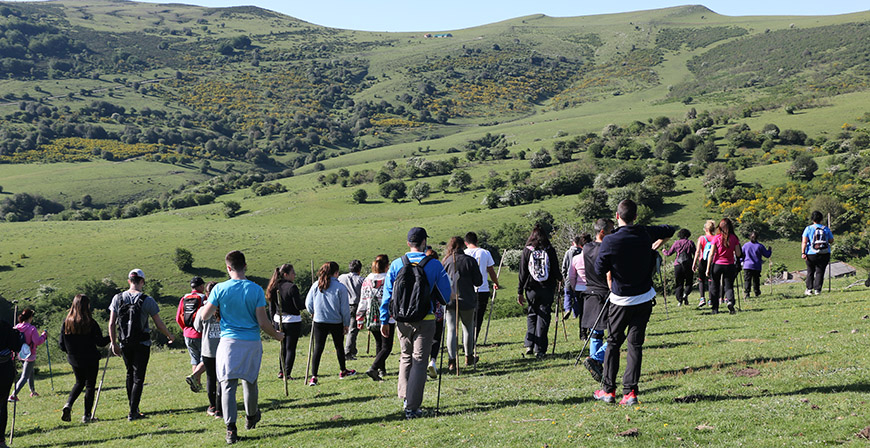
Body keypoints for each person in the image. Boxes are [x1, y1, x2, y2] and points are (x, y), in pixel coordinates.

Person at [593, 199, 675, 405]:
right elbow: (670, 229)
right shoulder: (645, 233)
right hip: (644, 298)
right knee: (635, 344)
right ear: (636, 217)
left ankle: (608, 390)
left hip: (620, 299)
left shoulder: (610, 241)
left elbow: (598, 270)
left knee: (613, 343)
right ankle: (630, 393)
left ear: (617, 216)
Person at [197, 251, 284, 444]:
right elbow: (263, 322)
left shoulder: (219, 289)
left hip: (228, 342)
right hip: (251, 341)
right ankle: (251, 416)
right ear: (245, 266)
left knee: (228, 384)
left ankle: (231, 429)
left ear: (228, 268)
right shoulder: (255, 290)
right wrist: (277, 335)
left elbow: (205, 316)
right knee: (250, 382)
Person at [381, 227, 451, 419]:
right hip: (426, 318)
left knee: (405, 357)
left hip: (401, 320)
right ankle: (412, 407)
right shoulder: (435, 265)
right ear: (424, 243)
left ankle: (405, 396)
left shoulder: (396, 264)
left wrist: (384, 319)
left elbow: (387, 295)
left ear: (408, 243)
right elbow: (446, 295)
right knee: (420, 361)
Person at [109, 269, 175, 421]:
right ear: (142, 281)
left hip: (124, 342)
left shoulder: (117, 298)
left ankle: (134, 407)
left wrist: (113, 343)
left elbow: (112, 323)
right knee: (138, 377)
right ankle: (133, 412)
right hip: (142, 343)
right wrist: (169, 335)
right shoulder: (147, 300)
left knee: (129, 374)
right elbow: (159, 324)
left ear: (129, 281)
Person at [58, 294, 110, 423]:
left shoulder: (66, 323)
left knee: (79, 382)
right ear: (87, 306)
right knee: (90, 386)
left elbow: (61, 344)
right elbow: (100, 342)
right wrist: (111, 336)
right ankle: (87, 415)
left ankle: (68, 404)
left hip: (74, 358)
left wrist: (70, 352)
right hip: (90, 358)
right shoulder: (91, 323)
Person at [306, 261, 356, 386]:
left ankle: (314, 376)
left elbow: (308, 304)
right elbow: (344, 309)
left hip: (319, 320)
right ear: (336, 273)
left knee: (318, 348)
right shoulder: (340, 288)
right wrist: (346, 323)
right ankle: (343, 370)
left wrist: (313, 312)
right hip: (336, 321)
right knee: (339, 346)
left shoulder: (316, 285)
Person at [517, 224, 562, 360]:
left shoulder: (527, 250)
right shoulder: (549, 250)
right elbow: (555, 270)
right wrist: (560, 280)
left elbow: (523, 273)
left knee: (532, 313)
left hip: (531, 289)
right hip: (547, 288)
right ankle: (540, 349)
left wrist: (520, 291)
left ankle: (529, 344)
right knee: (544, 316)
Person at [580, 219, 614, 382]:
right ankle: (596, 359)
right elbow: (609, 273)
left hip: (590, 291)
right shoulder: (607, 248)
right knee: (615, 333)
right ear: (602, 232)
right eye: (611, 230)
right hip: (604, 292)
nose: (613, 233)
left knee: (595, 332)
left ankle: (596, 366)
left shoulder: (586, 247)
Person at [442, 236, 483, 371]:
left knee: (451, 330)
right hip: (467, 299)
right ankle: (468, 356)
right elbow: (478, 282)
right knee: (468, 329)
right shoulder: (469, 260)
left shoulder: (445, 261)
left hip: (450, 300)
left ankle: (452, 360)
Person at [266, 264, 304, 380]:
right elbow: (298, 306)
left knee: (282, 347)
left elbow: (272, 307)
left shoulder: (274, 286)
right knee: (290, 348)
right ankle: (287, 373)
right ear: (286, 274)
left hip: (278, 320)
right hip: (292, 321)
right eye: (293, 273)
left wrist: (273, 322)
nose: (295, 275)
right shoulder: (292, 287)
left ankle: (281, 371)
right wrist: (308, 303)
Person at [356, 255, 391, 381]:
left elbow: (363, 300)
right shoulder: (389, 279)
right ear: (387, 266)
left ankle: (381, 370)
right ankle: (374, 368)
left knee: (379, 344)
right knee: (387, 346)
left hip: (371, 316)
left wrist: (359, 318)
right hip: (387, 316)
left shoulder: (366, 281)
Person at [464, 232, 500, 341]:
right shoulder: (485, 253)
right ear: (477, 241)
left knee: (466, 318)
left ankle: (466, 340)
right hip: (482, 289)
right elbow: (491, 271)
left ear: (466, 243)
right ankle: (473, 340)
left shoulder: (463, 253)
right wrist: (496, 282)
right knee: (478, 318)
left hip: (466, 290)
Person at [194, 281, 222, 418]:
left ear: (206, 294)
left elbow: (197, 327)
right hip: (224, 348)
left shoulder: (202, 310)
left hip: (208, 349)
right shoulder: (225, 308)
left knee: (210, 379)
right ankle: (220, 408)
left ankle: (212, 406)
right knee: (222, 379)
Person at [706, 218, 743, 315]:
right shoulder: (734, 238)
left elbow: (711, 254)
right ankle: (730, 301)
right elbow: (738, 254)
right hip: (729, 265)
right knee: (729, 285)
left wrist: (708, 268)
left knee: (715, 286)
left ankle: (715, 309)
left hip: (717, 264)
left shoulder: (716, 238)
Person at [176, 276, 207, 393]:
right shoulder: (203, 298)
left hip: (187, 334)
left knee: (194, 360)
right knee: (206, 359)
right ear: (200, 286)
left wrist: (185, 330)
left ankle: (197, 385)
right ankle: (194, 377)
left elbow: (178, 317)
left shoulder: (184, 298)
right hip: (201, 333)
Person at [9, 309, 46, 401]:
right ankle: (13, 395)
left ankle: (32, 391)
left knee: (30, 372)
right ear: (30, 317)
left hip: (20, 353)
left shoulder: (17, 327)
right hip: (30, 354)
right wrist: (44, 336)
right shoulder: (32, 328)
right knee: (25, 376)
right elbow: (37, 341)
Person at [801, 210, 834, 295]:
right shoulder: (826, 229)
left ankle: (809, 289)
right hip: (824, 253)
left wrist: (803, 253)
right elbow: (831, 240)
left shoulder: (808, 229)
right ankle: (818, 290)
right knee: (820, 271)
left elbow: (804, 242)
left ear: (812, 219)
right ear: (821, 219)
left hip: (811, 253)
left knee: (810, 271)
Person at [566, 234, 592, 336]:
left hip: (579, 288)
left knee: (582, 311)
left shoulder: (576, 258)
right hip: (591, 287)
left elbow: (571, 275)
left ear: (580, 246)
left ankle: (582, 333)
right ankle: (591, 330)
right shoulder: (593, 257)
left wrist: (573, 286)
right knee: (592, 311)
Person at [0, 319, 21, 448]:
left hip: (4, 369)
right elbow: (16, 347)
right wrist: (15, 334)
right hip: (3, 370)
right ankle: (0, 440)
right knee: (2, 405)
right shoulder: (4, 325)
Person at [425, 248, 444, 379]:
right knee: (436, 338)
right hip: (437, 311)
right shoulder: (438, 271)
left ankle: (423, 364)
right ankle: (433, 361)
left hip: (423, 311)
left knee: (423, 340)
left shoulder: (421, 271)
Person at [663, 228, 696, 306]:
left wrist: (664, 251)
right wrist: (695, 264)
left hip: (678, 265)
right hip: (688, 264)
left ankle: (679, 300)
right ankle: (685, 294)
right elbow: (695, 253)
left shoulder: (676, 243)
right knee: (689, 282)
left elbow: (669, 253)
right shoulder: (690, 242)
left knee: (679, 283)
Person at [338, 260, 364, 360]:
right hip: (355, 305)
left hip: (342, 305)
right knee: (352, 329)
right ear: (359, 269)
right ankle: (347, 352)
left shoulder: (341, 277)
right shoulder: (361, 280)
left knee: (343, 328)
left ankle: (352, 350)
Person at [692, 220, 717, 308]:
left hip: (703, 260)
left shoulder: (702, 238)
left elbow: (697, 251)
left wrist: (694, 263)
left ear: (706, 229)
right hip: (713, 261)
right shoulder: (716, 238)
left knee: (701, 280)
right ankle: (711, 299)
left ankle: (702, 298)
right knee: (711, 280)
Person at [561, 236, 584, 328]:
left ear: (572, 243)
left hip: (568, 278)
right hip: (579, 279)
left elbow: (564, 267)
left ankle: (567, 309)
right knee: (576, 297)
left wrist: (564, 277)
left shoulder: (568, 253)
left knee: (567, 294)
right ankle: (576, 314)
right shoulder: (582, 252)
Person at [741, 232, 772, 298]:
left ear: (750, 237)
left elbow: (741, 254)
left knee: (747, 280)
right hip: (756, 266)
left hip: (747, 265)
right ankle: (757, 292)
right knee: (756, 280)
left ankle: (747, 293)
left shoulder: (746, 245)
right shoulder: (760, 246)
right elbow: (767, 255)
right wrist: (769, 250)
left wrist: (741, 261)